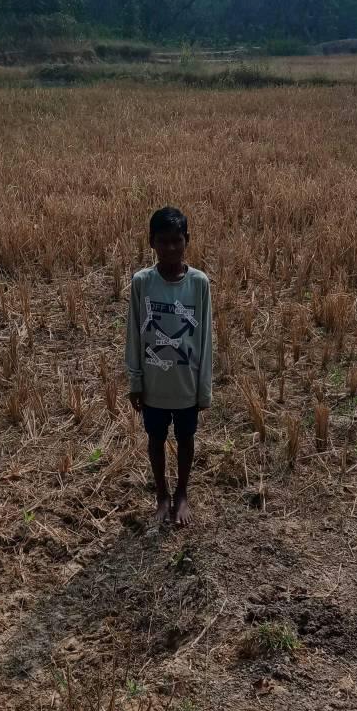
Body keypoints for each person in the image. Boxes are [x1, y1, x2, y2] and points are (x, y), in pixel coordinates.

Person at [125, 206, 213, 526]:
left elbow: (205, 338)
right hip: (154, 385)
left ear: (187, 240)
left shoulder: (199, 283)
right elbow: (134, 333)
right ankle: (162, 495)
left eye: (177, 240)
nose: (171, 248)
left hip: (186, 384)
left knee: (186, 439)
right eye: (163, 241)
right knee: (156, 440)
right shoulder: (142, 282)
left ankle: (182, 493)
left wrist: (204, 390)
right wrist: (135, 380)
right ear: (151, 242)